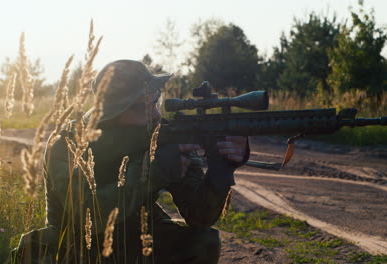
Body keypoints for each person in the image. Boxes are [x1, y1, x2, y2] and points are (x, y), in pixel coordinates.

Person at [14, 60, 249, 263]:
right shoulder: (67, 145)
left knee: (203, 242)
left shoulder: (164, 136)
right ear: (113, 113)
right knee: (38, 251)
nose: (156, 114)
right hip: (77, 248)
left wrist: (222, 168)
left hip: (135, 240)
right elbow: (88, 215)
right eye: (143, 107)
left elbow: (200, 217)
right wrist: (154, 170)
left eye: (156, 101)